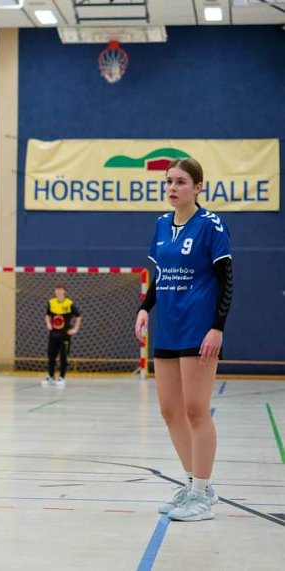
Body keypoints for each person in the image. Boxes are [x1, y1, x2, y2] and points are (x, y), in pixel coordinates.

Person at [134, 157, 232, 522]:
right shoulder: (161, 225)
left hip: (199, 329)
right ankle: (192, 485)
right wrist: (145, 307)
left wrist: (217, 327)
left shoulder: (211, 225)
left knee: (195, 410)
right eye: (169, 182)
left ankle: (203, 494)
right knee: (169, 410)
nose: (172, 188)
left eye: (180, 182)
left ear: (198, 187)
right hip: (169, 329)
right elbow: (160, 275)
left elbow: (226, 279)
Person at [42, 284, 81, 387]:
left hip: (65, 335)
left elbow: (78, 316)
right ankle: (50, 376)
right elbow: (47, 315)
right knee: (51, 356)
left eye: (61, 290)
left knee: (63, 356)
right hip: (53, 334)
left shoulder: (69, 303)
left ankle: (62, 378)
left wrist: (75, 329)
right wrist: (48, 324)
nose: (59, 292)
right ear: (55, 292)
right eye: (57, 290)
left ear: (64, 292)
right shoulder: (51, 302)